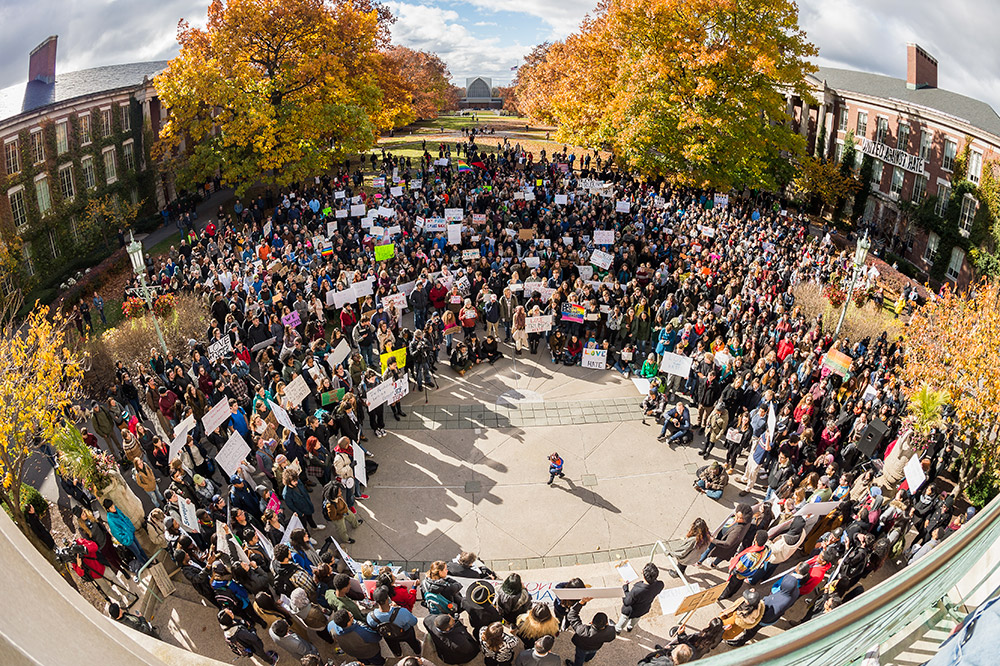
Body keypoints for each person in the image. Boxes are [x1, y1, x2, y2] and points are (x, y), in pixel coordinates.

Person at [367, 585, 421, 657]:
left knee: (393, 644)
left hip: (389, 636)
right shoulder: (402, 611)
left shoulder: (371, 616)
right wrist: (397, 608)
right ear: (388, 599)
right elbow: (414, 622)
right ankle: (417, 651)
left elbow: (373, 628)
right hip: (405, 633)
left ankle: (398, 653)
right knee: (413, 641)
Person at [615, 562, 664, 633]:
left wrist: (625, 588)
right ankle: (630, 627)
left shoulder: (637, 590)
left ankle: (618, 629)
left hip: (630, 611)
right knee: (636, 619)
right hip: (642, 609)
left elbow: (627, 602)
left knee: (624, 619)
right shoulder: (660, 584)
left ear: (644, 575)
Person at [566, 598, 615, 666]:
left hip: (582, 648)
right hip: (595, 647)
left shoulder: (582, 630)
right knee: (591, 654)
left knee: (579, 658)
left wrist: (581, 602)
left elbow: (571, 616)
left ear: (591, 622)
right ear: (606, 624)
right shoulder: (610, 632)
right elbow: (612, 630)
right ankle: (587, 659)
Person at [103, 499, 149, 569]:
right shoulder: (111, 520)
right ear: (108, 509)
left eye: (113, 505)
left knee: (140, 548)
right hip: (127, 539)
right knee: (137, 553)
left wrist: (131, 528)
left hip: (130, 533)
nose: (114, 507)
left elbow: (125, 518)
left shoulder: (117, 510)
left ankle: (148, 561)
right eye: (111, 507)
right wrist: (126, 539)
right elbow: (116, 533)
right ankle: (145, 565)